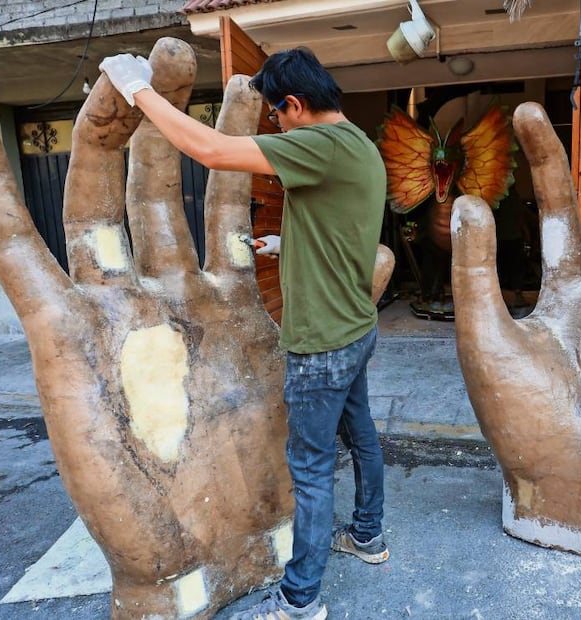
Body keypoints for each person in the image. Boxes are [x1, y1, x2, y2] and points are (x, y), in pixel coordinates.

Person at [100, 47, 389, 620]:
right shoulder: (359, 144)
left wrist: (138, 89)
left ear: (295, 105)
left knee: (309, 470)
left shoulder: (318, 143)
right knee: (362, 437)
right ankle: (368, 536)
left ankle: (300, 599)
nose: (276, 127)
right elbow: (345, 225)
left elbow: (208, 149)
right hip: (357, 328)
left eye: (276, 116)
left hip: (323, 344)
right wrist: (289, 245)